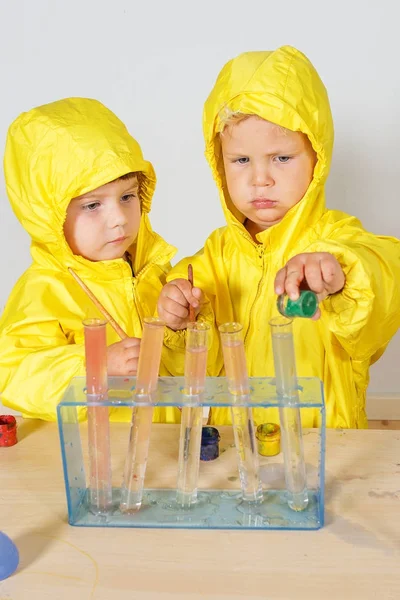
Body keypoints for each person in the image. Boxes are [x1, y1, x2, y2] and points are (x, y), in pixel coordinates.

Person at [158, 46, 400, 428]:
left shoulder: (335, 237)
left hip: (325, 447)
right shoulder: (217, 253)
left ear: (317, 159)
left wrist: (340, 273)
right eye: (241, 161)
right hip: (235, 445)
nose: (260, 178)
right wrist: (175, 312)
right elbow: (187, 356)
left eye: (281, 158)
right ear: (219, 166)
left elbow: (385, 278)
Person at [0, 97, 178, 422]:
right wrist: (96, 366)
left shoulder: (156, 270)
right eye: (92, 205)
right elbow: (14, 372)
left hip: (165, 445)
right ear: (49, 215)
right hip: (100, 456)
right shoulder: (45, 289)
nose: (119, 219)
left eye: (127, 197)